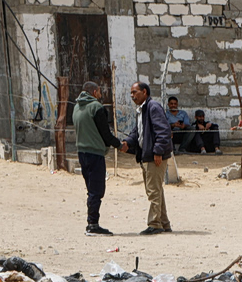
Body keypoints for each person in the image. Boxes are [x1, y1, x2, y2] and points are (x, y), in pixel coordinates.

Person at [120, 81, 173, 235]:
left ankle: (155, 224)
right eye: (131, 93)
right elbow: (138, 132)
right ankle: (163, 223)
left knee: (153, 191)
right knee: (156, 190)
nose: (132, 96)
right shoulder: (142, 110)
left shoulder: (153, 107)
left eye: (135, 92)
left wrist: (158, 152)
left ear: (144, 92)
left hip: (153, 156)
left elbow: (163, 131)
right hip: (147, 155)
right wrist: (127, 143)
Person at [71, 81, 122, 236]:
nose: (101, 94)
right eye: (99, 91)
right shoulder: (96, 108)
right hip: (95, 153)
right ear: (94, 92)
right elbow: (105, 134)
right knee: (97, 190)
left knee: (91, 189)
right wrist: (120, 145)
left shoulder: (76, 107)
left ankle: (91, 222)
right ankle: (93, 224)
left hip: (82, 152)